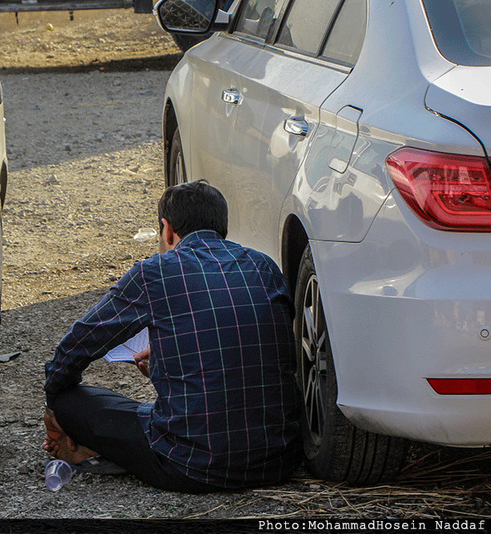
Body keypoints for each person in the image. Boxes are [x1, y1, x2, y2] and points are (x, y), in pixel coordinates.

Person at [42, 180, 301, 492]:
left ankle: (87, 442)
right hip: (278, 461)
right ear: (222, 227)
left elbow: (79, 344)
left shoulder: (155, 272)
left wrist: (54, 404)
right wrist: (169, 359)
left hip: (192, 466)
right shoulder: (265, 267)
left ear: (167, 230)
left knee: (71, 401)